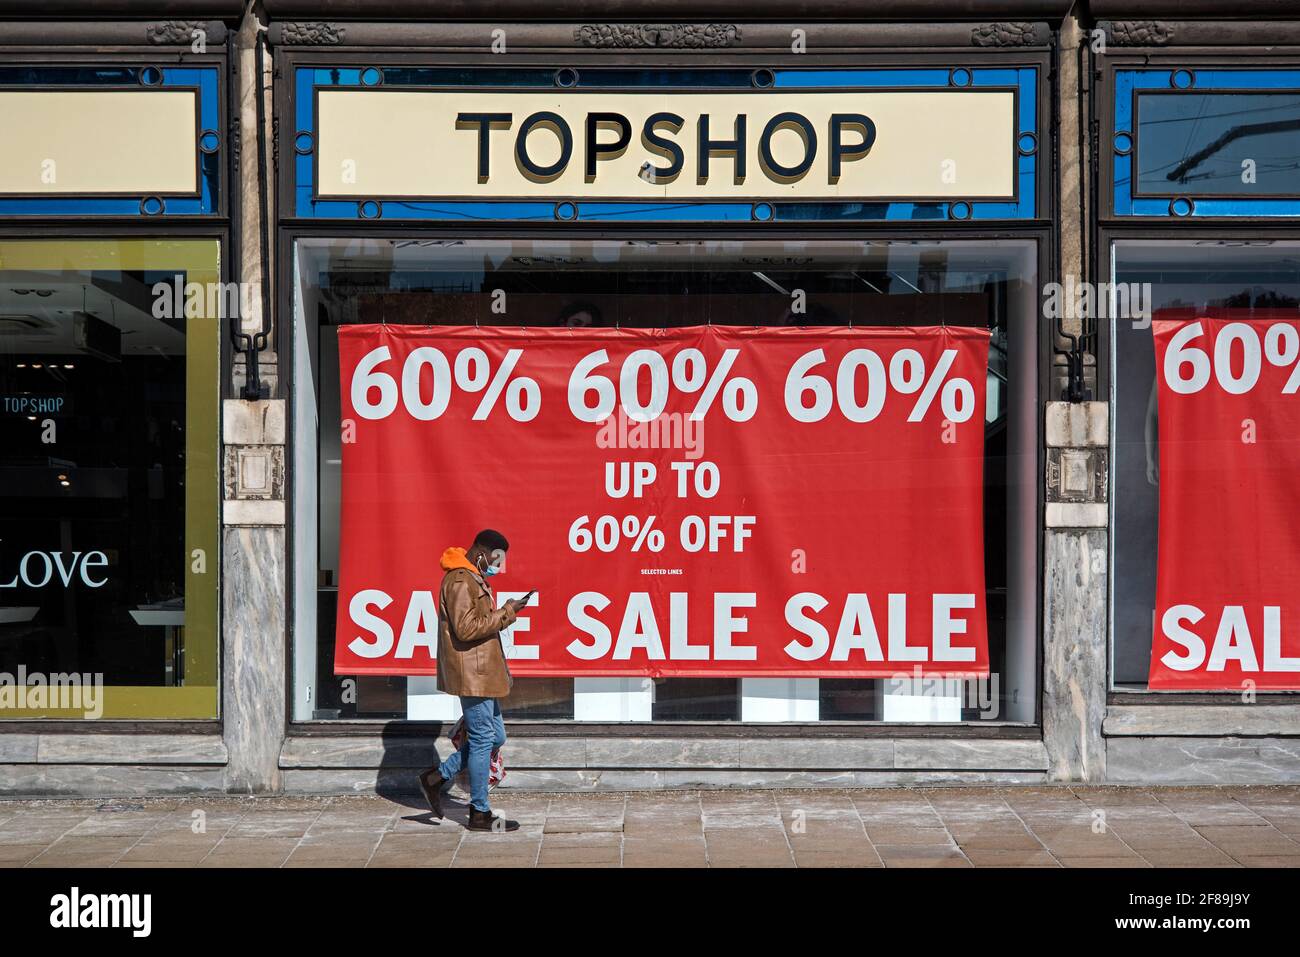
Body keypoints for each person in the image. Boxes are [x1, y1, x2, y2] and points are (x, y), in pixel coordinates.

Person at [416, 529, 530, 832]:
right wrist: (507, 612)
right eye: (494, 559)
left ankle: (438, 776)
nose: (496, 566)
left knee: (496, 737)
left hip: (482, 673)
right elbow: (466, 629)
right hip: (472, 675)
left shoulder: (471, 578)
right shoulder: (459, 581)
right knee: (482, 739)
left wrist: (505, 612)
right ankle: (479, 813)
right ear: (481, 553)